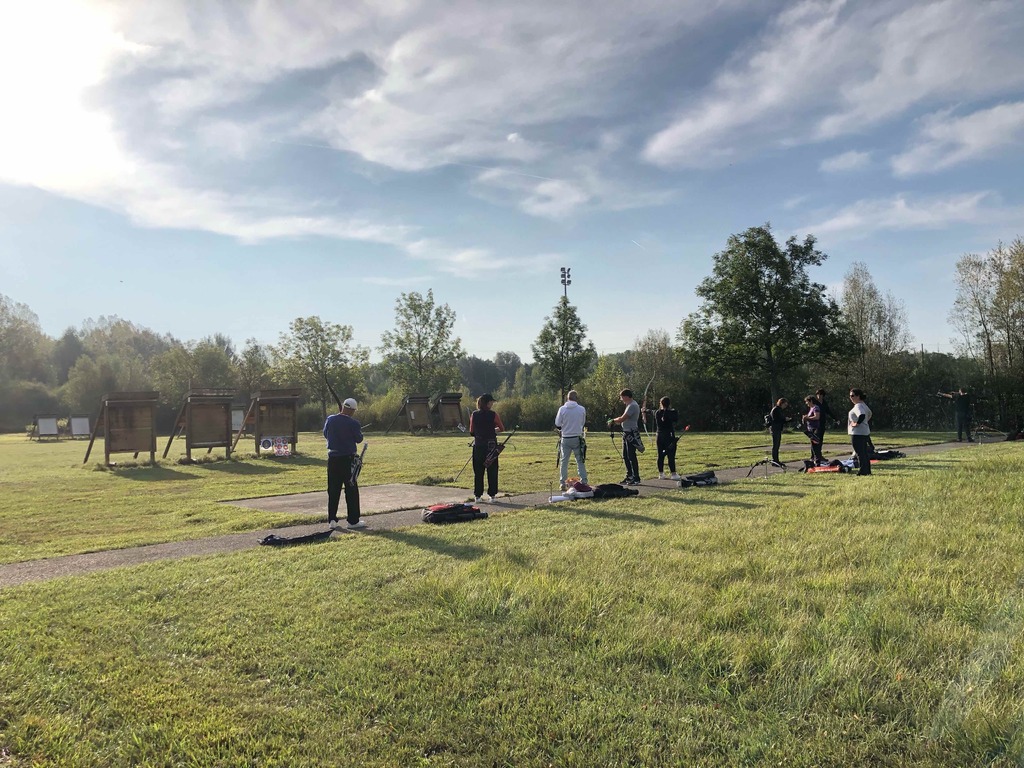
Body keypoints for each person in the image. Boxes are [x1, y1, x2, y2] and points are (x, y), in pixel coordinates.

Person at [324, 396, 365, 530]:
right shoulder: (353, 423)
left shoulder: (330, 419)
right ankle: (353, 521)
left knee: (333, 490)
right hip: (348, 460)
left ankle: (332, 520)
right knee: (351, 490)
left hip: (333, 459)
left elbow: (326, 434)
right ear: (352, 410)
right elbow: (359, 439)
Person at [469, 393, 504, 503]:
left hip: (478, 446)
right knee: (492, 471)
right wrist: (493, 430)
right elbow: (501, 428)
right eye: (491, 402)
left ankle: (478, 496)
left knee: (478, 472)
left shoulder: (474, 414)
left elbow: (471, 431)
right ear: (488, 403)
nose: (492, 404)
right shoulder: (493, 414)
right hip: (491, 447)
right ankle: (492, 496)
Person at [554, 390, 588, 491]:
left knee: (564, 461)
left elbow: (558, 423)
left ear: (567, 398)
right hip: (577, 437)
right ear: (576, 398)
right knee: (580, 460)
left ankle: (562, 483)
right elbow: (582, 422)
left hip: (566, 437)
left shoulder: (562, 409)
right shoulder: (581, 409)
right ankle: (584, 481)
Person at [608, 388, 641, 485]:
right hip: (626, 432)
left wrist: (613, 420)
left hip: (631, 433)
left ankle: (636, 478)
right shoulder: (629, 405)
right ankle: (629, 476)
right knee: (626, 456)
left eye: (622, 397)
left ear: (626, 396)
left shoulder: (632, 405)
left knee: (631, 455)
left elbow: (622, 418)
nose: (621, 399)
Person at [653, 396, 681, 480]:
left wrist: (645, 411)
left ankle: (661, 474)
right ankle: (673, 474)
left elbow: (652, 412)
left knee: (660, 455)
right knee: (671, 455)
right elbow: (675, 419)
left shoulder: (657, 413)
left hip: (659, 436)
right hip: (669, 436)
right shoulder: (672, 412)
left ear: (661, 404)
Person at [848, 388, 873, 475]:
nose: (851, 398)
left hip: (857, 433)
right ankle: (867, 470)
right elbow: (869, 414)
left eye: (852, 396)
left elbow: (861, 415)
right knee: (864, 453)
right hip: (865, 432)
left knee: (859, 453)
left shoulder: (858, 406)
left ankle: (863, 471)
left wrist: (857, 423)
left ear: (858, 396)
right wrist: (865, 422)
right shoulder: (864, 405)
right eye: (850, 396)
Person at [801, 395, 824, 464]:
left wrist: (808, 418)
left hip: (815, 428)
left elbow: (817, 417)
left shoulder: (816, 408)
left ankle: (817, 459)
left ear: (811, 401)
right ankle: (814, 458)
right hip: (810, 428)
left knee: (815, 444)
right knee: (813, 445)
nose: (806, 403)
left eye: (807, 402)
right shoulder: (811, 408)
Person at [768, 397, 789, 465]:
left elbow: (780, 420)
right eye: (785, 405)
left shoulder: (779, 410)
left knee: (777, 445)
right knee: (776, 445)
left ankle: (776, 460)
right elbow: (776, 420)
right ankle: (775, 460)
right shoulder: (776, 409)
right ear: (781, 403)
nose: (785, 406)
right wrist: (785, 419)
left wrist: (786, 420)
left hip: (778, 428)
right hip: (775, 429)